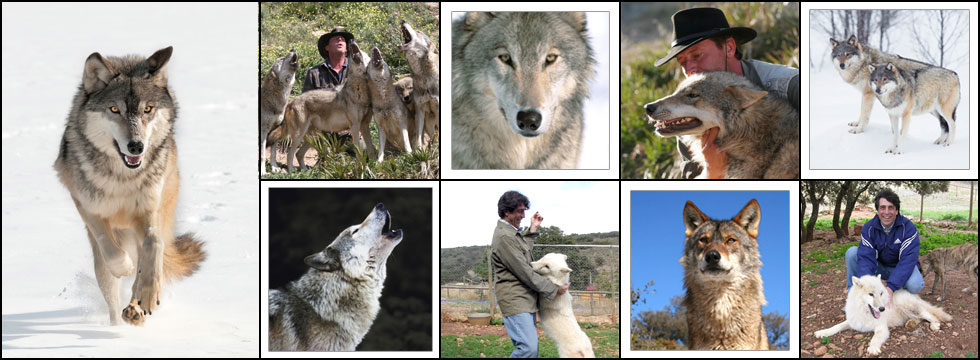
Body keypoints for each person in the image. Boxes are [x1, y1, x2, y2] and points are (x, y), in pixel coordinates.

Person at [656, 7, 800, 179]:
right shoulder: (688, 117)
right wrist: (712, 170)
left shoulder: (792, 86)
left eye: (697, 55)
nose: (690, 69)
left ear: (729, 48)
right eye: (682, 62)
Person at [490, 191, 569, 358]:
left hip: (525, 299)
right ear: (506, 212)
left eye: (524, 210)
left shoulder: (512, 233)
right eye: (519, 211)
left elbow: (523, 252)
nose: (523, 215)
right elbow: (525, 271)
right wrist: (554, 289)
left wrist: (533, 228)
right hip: (515, 299)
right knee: (528, 349)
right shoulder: (504, 237)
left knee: (531, 349)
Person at [844, 189, 925, 308]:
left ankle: (898, 296)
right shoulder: (869, 228)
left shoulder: (908, 229)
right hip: (879, 267)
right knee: (852, 253)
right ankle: (854, 300)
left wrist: (890, 288)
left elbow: (907, 261)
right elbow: (866, 258)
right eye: (882, 207)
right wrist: (868, 288)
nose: (886, 212)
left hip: (900, 267)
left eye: (890, 207)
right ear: (877, 211)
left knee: (915, 285)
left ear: (897, 210)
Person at [302, 28, 354, 93]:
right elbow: (306, 100)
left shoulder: (356, 70)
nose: (340, 39)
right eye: (336, 38)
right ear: (327, 47)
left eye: (343, 39)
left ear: (346, 48)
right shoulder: (314, 73)